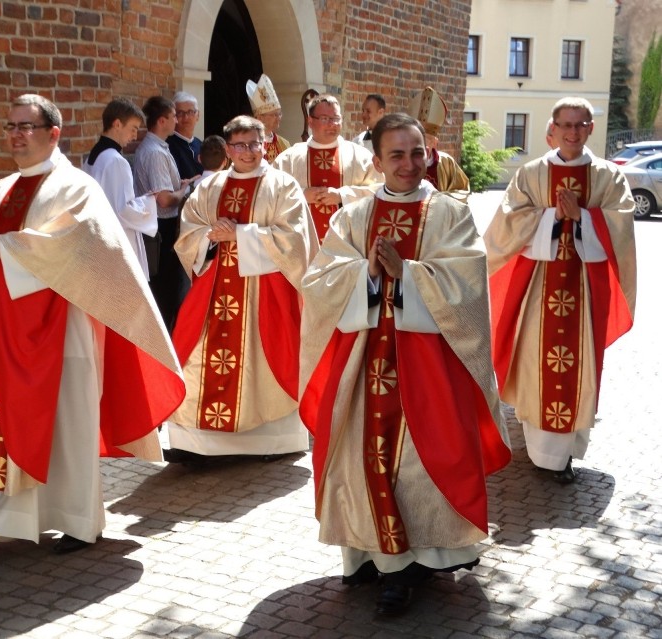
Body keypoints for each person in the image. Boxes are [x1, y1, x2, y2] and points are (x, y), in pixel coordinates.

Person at [0, 94, 185, 560]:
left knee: (67, 426)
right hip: (1, 329)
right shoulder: (0, 189)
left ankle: (78, 522)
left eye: (26, 126)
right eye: (10, 126)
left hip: (63, 329)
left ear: (53, 133)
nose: (16, 135)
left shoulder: (76, 187)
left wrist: (5, 246)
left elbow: (84, 250)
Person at [300, 113, 511, 616]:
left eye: (417, 153)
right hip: (364, 362)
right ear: (375, 161)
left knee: (421, 464)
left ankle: (417, 563)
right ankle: (374, 555)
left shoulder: (448, 214)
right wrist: (367, 275)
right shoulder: (353, 216)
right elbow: (319, 282)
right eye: (396, 154)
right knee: (361, 459)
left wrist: (409, 275)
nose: (409, 164)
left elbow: (467, 289)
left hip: (428, 366)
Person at [484, 97, 636, 484]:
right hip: (540, 289)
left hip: (584, 291)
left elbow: (620, 227)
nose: (572, 132)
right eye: (565, 125)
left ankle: (563, 453)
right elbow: (507, 222)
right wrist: (553, 216)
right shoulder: (532, 173)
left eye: (580, 124)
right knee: (537, 363)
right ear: (551, 129)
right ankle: (542, 452)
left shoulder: (607, 176)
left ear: (591, 129)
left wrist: (582, 217)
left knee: (578, 366)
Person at [165, 115, 318, 462]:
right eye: (239, 145)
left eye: (253, 144)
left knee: (266, 362)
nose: (247, 152)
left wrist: (242, 234)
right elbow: (189, 231)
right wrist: (210, 234)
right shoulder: (211, 186)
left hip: (266, 293)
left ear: (265, 145)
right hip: (215, 288)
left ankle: (270, 442)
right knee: (193, 352)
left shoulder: (283, 185)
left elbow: (295, 241)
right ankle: (196, 443)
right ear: (228, 149)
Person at [274, 94, 381, 240]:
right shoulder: (289, 159)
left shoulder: (360, 156)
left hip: (347, 245)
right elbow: (270, 196)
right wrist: (301, 195)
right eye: (325, 118)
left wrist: (342, 196)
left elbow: (379, 192)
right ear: (310, 121)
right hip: (304, 245)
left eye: (336, 119)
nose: (332, 124)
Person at [133, 96, 193, 332]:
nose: (178, 120)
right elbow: (165, 199)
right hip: (162, 228)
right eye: (174, 116)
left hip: (160, 226)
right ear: (162, 120)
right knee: (166, 295)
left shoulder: (157, 147)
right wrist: (185, 189)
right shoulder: (155, 152)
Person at [82, 98, 158, 279]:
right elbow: (124, 210)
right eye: (133, 128)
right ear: (117, 124)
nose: (134, 136)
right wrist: (149, 201)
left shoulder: (92, 157)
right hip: (119, 244)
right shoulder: (116, 161)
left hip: (99, 242)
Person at [408, 87, 470, 202]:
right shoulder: (403, 161)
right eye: (416, 139)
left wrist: (438, 200)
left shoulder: (446, 162)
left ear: (435, 142)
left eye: (425, 139)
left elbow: (462, 191)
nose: (420, 144)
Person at [246, 74, 291, 163]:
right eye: (274, 115)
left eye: (279, 114)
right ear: (260, 118)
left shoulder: (284, 144)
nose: (278, 118)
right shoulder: (247, 145)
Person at [167, 91, 203, 180]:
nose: (186, 117)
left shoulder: (202, 145)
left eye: (191, 112)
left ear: (198, 115)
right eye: (180, 112)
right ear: (174, 116)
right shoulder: (167, 146)